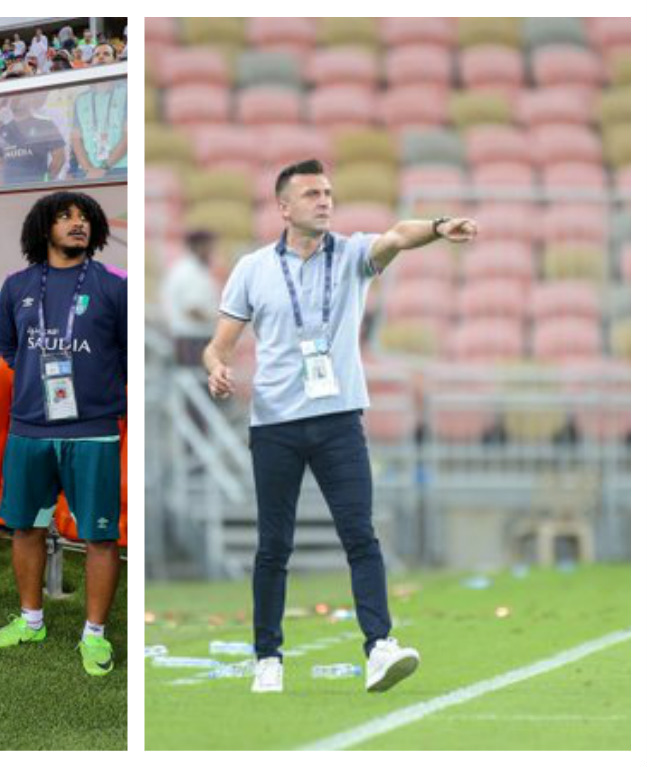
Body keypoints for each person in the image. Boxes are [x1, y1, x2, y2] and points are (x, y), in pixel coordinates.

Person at [203, 159, 478, 694]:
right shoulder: (253, 268)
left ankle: (380, 646)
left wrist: (440, 226)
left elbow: (397, 235)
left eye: (328, 193)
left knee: (360, 535)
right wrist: (215, 368)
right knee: (273, 546)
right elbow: (220, 345)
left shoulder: (353, 255)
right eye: (312, 194)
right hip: (275, 424)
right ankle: (268, 657)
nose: (325, 201)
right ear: (284, 207)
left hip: (339, 419)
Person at [0, 191, 126, 677]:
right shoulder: (17, 285)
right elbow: (8, 347)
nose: (77, 223)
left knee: (99, 535)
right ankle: (31, 621)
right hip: (29, 427)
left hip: (93, 430)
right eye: (66, 216)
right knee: (26, 527)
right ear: (43, 227)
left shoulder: (115, 285)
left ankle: (94, 634)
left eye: (85, 217)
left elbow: (129, 354)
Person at [160, 229, 219, 366]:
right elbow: (193, 310)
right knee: (195, 377)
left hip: (191, 338)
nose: (212, 250)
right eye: (209, 246)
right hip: (193, 339)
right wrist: (222, 322)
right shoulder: (190, 272)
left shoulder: (189, 268)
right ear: (198, 246)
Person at [70, 43, 127, 179]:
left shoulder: (127, 93)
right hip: (87, 171)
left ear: (115, 61)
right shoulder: (81, 99)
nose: (101, 57)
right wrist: (88, 169)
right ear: (91, 62)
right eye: (97, 55)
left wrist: (104, 167)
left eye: (106, 54)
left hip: (121, 168)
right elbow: (76, 139)